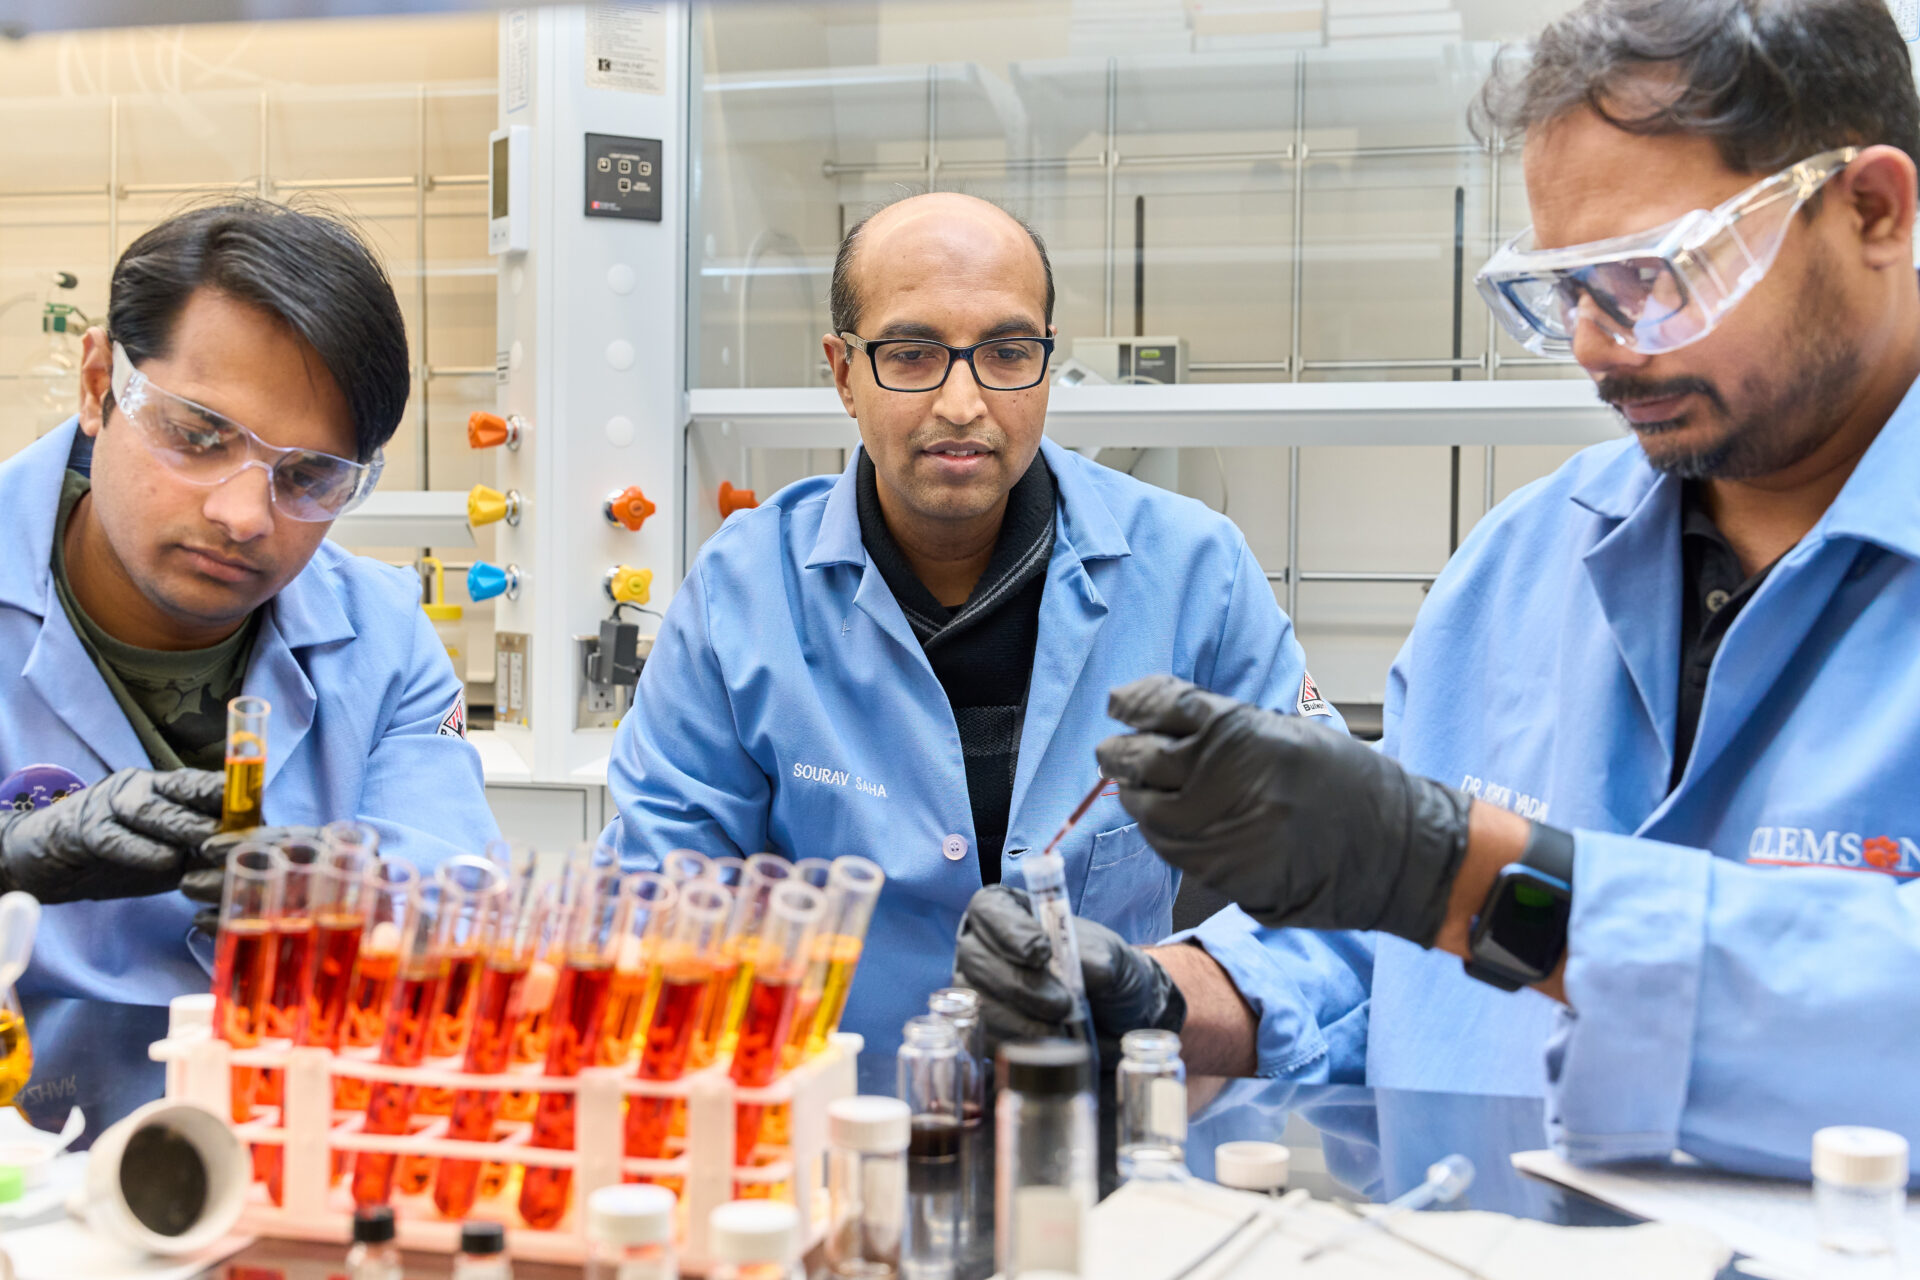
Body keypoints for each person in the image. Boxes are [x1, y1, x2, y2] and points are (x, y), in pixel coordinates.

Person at [958, 0, 1920, 1179]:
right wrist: (1179, 996)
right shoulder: (1519, 568)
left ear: (1873, 209)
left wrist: (1462, 872)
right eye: (1565, 288)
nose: (1598, 346)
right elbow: (1398, 957)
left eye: (1657, 273)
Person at [607, 191, 1334, 1082]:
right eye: (911, 355)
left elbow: (1329, 864)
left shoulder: (1193, 575)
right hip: (829, 1140)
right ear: (844, 373)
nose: (963, 401)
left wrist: (1173, 992)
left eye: (1006, 353)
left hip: (1108, 1145)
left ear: (1045, 364)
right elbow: (660, 898)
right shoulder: (742, 594)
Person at [0, 200, 497, 1036]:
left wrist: (335, 896)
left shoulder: (383, 638)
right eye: (197, 436)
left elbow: (457, 906)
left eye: (308, 477)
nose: (244, 515)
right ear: (99, 386)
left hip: (296, 1136)